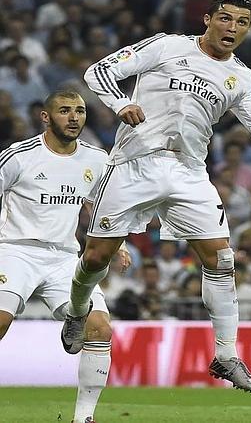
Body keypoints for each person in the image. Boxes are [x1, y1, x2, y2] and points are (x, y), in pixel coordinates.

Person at [61, 0, 251, 392]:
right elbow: (98, 72)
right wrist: (120, 103)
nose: (232, 28)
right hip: (134, 163)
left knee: (221, 258)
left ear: (248, 29)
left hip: (189, 172)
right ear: (207, 19)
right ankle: (78, 310)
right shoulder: (167, 45)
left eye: (241, 22)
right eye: (225, 18)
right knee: (96, 257)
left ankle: (226, 355)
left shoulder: (245, 79)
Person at [0, 90, 130, 423]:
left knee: (100, 328)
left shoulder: (96, 159)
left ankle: (83, 418)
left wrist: (122, 244)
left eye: (80, 111)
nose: (74, 118)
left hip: (64, 257)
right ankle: (74, 314)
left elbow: (106, 206)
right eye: (64, 111)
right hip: (16, 249)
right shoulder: (19, 156)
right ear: (46, 117)